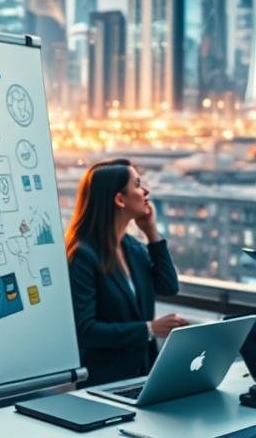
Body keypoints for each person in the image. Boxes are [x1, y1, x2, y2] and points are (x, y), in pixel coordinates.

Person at [66, 159, 186, 386]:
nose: (146, 191)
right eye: (138, 185)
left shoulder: (133, 248)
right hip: (105, 381)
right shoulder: (82, 255)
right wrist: (149, 329)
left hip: (144, 373)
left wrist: (152, 233)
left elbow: (168, 286)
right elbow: (86, 330)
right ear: (120, 199)